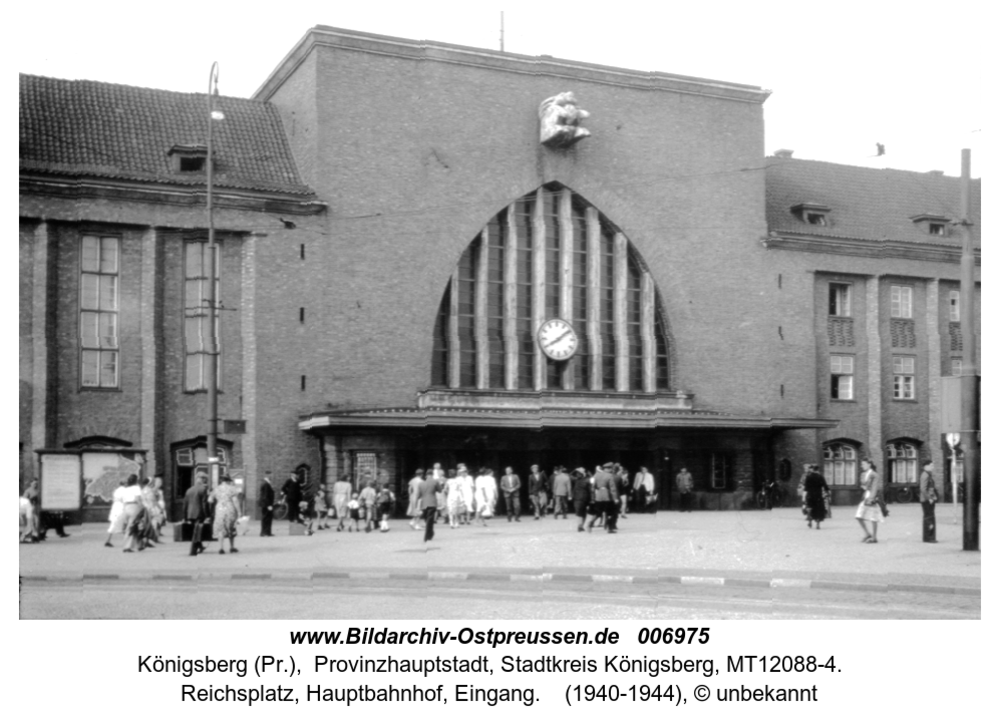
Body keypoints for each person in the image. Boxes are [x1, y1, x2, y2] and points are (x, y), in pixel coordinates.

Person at [210, 474, 242, 554]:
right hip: (229, 509)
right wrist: (239, 511)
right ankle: (231, 547)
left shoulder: (216, 489)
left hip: (219, 509)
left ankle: (221, 548)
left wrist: (218, 501)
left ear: (221, 480)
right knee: (231, 527)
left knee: (221, 528)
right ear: (228, 481)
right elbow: (235, 501)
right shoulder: (232, 489)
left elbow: (210, 500)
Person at [856, 458, 884, 543]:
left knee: (873, 517)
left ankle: (874, 537)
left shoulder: (874, 475)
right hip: (865, 497)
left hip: (872, 497)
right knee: (858, 516)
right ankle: (868, 533)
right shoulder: (864, 474)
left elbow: (875, 487)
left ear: (869, 464)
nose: (862, 466)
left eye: (864, 464)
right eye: (862, 464)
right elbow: (863, 485)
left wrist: (871, 498)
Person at [588, 463, 619, 533]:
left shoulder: (596, 475)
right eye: (611, 468)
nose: (611, 470)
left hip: (598, 496)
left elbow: (593, 487)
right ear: (608, 469)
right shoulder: (610, 476)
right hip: (607, 496)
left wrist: (593, 496)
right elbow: (612, 488)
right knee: (610, 513)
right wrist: (615, 498)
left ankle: (590, 523)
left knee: (598, 513)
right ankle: (609, 528)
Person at [183, 476, 209, 556]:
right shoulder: (203, 489)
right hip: (199, 513)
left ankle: (200, 546)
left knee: (195, 530)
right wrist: (207, 515)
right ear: (202, 482)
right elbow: (204, 504)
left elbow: (185, 505)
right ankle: (193, 550)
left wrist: (184, 517)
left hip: (190, 514)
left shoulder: (189, 490)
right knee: (197, 532)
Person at [120, 474, 146, 553]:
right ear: (136, 481)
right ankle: (127, 547)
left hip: (126, 507)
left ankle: (140, 545)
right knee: (132, 527)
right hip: (134, 507)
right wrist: (142, 506)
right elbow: (138, 499)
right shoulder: (136, 488)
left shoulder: (125, 489)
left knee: (135, 526)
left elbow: (122, 500)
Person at [419, 470, 443, 542]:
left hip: (424, 503)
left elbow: (420, 494)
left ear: (426, 475)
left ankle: (430, 533)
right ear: (432, 475)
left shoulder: (421, 483)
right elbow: (440, 490)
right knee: (430, 519)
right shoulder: (435, 481)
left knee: (427, 519)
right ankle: (428, 534)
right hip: (432, 502)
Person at [803, 464, 829, 529]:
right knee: (818, 509)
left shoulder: (808, 477)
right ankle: (818, 524)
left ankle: (810, 520)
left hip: (810, 495)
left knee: (810, 507)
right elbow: (825, 486)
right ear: (818, 469)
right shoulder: (820, 477)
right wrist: (827, 491)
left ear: (813, 469)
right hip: (818, 495)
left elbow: (806, 487)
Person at [918, 460, 939, 543]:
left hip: (928, 499)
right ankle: (929, 537)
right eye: (931, 465)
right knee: (929, 518)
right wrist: (929, 498)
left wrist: (934, 496)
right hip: (927, 500)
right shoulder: (925, 475)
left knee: (928, 517)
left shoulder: (927, 474)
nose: (933, 467)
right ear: (926, 466)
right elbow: (923, 488)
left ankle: (928, 537)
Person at [104, 478, 127, 547]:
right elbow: (125, 499)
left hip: (115, 507)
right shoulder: (125, 490)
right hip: (121, 507)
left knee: (117, 524)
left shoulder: (116, 490)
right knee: (122, 524)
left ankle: (108, 540)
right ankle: (129, 541)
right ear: (125, 484)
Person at [570, 468, 591, 532]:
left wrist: (574, 470)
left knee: (579, 512)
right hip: (585, 498)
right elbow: (590, 490)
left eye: (578, 474)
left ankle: (580, 525)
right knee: (583, 512)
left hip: (577, 498)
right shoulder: (587, 480)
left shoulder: (576, 480)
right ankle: (581, 525)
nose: (577, 475)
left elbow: (569, 475)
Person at [258, 471, 275, 537]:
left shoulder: (267, 483)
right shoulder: (265, 484)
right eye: (271, 475)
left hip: (267, 503)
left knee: (269, 518)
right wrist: (268, 505)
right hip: (266, 504)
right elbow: (265, 495)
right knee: (265, 518)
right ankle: (264, 532)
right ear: (267, 475)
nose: (272, 476)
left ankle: (268, 532)